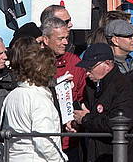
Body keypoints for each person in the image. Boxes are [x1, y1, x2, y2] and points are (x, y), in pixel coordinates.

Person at [69, 43, 133, 162]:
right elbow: (90, 116)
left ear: (107, 64)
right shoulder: (92, 86)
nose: (87, 73)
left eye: (90, 68)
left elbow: (119, 124)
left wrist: (86, 119)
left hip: (115, 155)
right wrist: (79, 122)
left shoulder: (123, 88)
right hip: (94, 153)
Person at [1, 43, 67, 161]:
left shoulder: (11, 95)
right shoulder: (39, 100)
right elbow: (44, 141)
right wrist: (59, 159)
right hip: (35, 157)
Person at [41, 16, 86, 160]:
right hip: (42, 139)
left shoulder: (75, 62)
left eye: (66, 38)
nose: (65, 42)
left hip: (69, 139)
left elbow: (81, 97)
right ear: (46, 39)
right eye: (60, 39)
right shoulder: (34, 63)